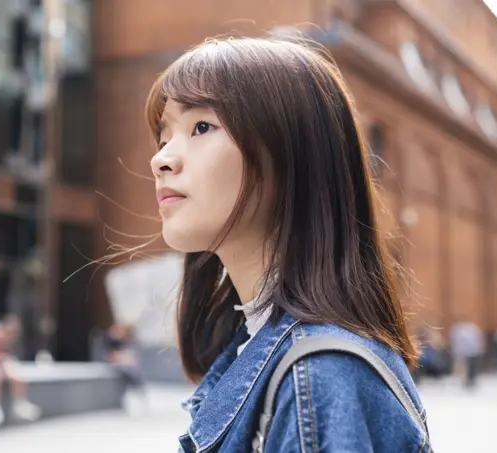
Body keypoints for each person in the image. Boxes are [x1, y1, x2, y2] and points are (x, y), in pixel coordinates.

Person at [146, 37, 431, 452]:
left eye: (201, 126)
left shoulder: (319, 378)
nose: (162, 159)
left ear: (292, 154)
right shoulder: (266, 355)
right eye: (163, 137)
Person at [103, 322, 147, 414]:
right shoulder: (114, 342)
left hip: (130, 370)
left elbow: (132, 357)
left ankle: (139, 402)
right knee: (126, 387)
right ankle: (125, 404)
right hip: (123, 370)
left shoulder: (129, 342)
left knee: (136, 386)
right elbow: (111, 355)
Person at [450, 318, 484, 389]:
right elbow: (456, 342)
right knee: (464, 367)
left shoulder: (472, 328)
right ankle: (465, 380)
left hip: (473, 351)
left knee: (472, 367)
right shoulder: (457, 330)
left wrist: (479, 348)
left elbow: (478, 339)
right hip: (463, 351)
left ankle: (472, 379)